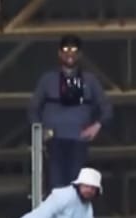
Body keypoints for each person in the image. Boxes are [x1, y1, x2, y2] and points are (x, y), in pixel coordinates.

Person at [32, 35, 111, 196]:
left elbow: (107, 108)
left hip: (79, 140)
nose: (70, 54)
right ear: (59, 53)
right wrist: (41, 133)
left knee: (77, 186)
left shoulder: (90, 80)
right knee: (55, 186)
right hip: (53, 140)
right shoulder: (48, 79)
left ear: (80, 54)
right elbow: (33, 108)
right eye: (66, 50)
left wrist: (96, 126)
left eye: (74, 50)